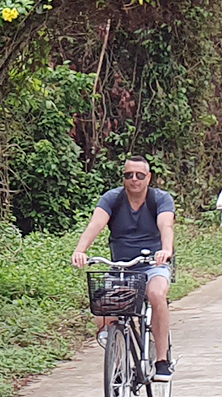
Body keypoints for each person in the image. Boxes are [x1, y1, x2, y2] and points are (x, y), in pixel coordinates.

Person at [72, 155, 176, 381]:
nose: (134, 180)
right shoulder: (113, 199)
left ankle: (161, 360)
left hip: (152, 265)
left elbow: (166, 224)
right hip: (121, 267)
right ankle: (119, 364)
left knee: (156, 294)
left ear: (148, 177)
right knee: (104, 315)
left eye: (139, 175)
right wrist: (80, 250)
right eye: (129, 175)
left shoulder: (160, 199)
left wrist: (166, 250)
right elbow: (95, 225)